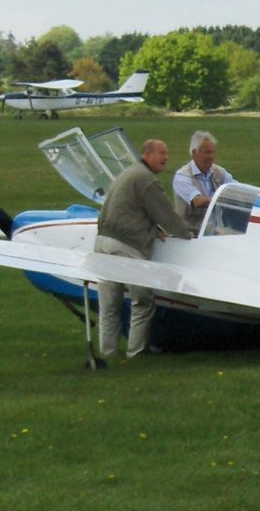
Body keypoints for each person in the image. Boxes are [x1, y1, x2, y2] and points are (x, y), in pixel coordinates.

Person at [94, 138, 190, 362]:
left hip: (102, 243)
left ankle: (107, 353)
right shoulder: (147, 180)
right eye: (161, 153)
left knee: (109, 305)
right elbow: (167, 215)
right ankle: (136, 353)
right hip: (126, 247)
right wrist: (187, 234)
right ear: (147, 154)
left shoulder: (127, 174)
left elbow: (127, 209)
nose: (166, 157)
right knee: (143, 302)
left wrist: (151, 227)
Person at [172, 129, 234, 235]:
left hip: (214, 232)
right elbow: (198, 201)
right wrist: (223, 200)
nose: (211, 157)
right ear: (194, 153)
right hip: (192, 236)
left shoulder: (219, 172)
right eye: (207, 152)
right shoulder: (182, 176)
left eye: (213, 152)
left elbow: (235, 188)